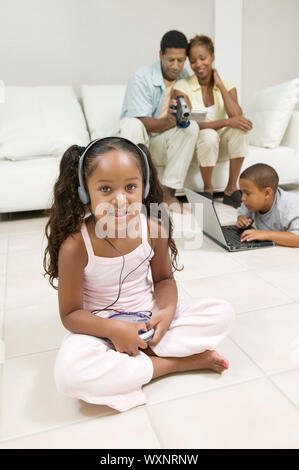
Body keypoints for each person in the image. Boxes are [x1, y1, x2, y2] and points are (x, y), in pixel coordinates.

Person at [43, 136, 235, 412]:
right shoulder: (76, 245)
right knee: (69, 375)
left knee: (222, 312)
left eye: (130, 187)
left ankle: (136, 356)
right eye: (105, 189)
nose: (120, 199)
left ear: (143, 189)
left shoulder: (153, 229)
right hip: (99, 328)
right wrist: (113, 329)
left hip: (148, 318)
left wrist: (166, 313)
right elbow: (70, 315)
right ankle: (176, 363)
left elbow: (164, 280)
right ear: (86, 193)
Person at [116, 30, 199, 210]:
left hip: (162, 142)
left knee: (191, 127)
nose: (176, 66)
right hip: (139, 140)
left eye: (181, 60)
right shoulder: (141, 77)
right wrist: (171, 120)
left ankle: (168, 194)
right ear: (161, 55)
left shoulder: (186, 78)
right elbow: (141, 122)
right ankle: (137, 193)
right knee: (131, 124)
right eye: (171, 60)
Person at [173, 35, 253, 208]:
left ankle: (231, 189)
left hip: (221, 145)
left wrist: (220, 86)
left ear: (212, 57)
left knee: (239, 130)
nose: (198, 64)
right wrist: (225, 122)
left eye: (203, 58)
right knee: (208, 135)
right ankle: (208, 189)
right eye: (193, 61)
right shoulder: (182, 87)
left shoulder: (226, 85)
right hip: (198, 145)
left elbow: (236, 115)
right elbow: (189, 123)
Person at [236, 163, 299, 247]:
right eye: (241, 192)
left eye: (247, 193)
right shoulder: (249, 203)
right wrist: (242, 218)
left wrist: (266, 234)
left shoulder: (289, 208)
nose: (242, 198)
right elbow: (243, 214)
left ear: (267, 193)